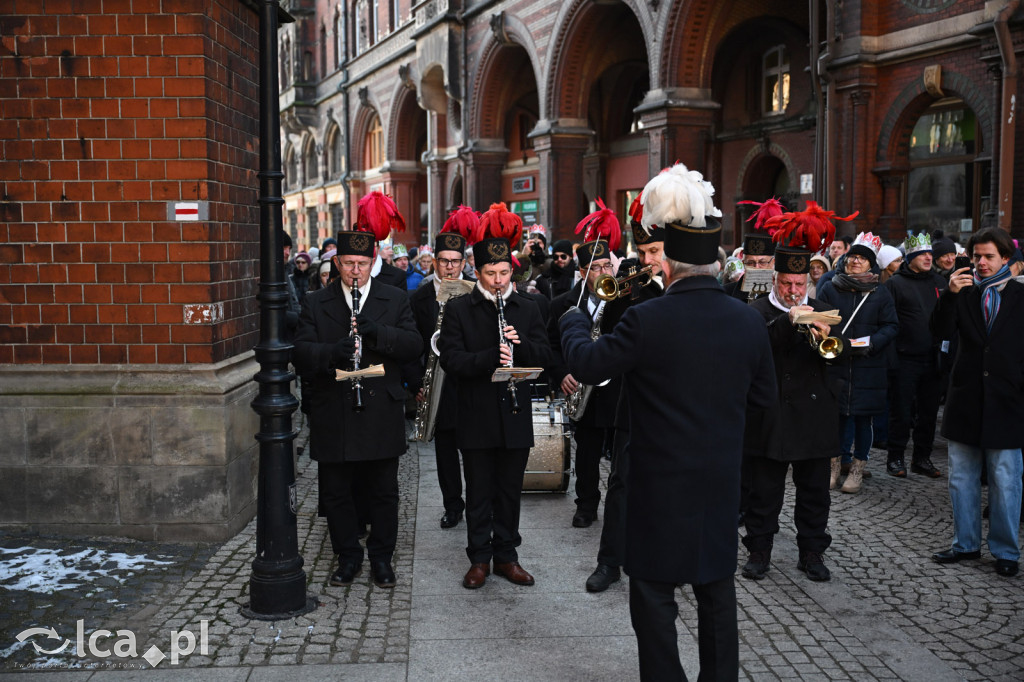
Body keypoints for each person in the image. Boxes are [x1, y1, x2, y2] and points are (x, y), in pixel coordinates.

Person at [561, 163, 776, 680]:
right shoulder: (748, 319)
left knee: (654, 594)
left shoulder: (647, 318)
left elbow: (588, 364)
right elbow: (765, 399)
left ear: (669, 264)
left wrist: (572, 318)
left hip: (657, 482)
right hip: (719, 480)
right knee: (716, 593)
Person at [292, 230, 423, 589]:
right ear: (337, 263)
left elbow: (414, 345)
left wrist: (378, 332)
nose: (355, 271)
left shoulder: (394, 298)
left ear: (372, 264)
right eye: (348, 263)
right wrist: (333, 350)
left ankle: (382, 558)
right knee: (337, 491)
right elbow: (301, 352)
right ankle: (348, 556)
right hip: (334, 408)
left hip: (380, 408)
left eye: (362, 264)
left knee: (383, 491)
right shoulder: (317, 301)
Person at [438, 204, 553, 590]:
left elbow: (546, 355)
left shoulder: (528, 307)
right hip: (476, 414)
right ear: (477, 271)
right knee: (479, 490)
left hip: (515, 413)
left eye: (505, 273)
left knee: (509, 491)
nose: (499, 280)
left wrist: (522, 349)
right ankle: (479, 559)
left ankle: (507, 555)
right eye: (491, 274)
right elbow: (452, 360)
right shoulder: (459, 309)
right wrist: (492, 356)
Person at [741, 210, 842, 583]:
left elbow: (839, 352)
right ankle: (759, 551)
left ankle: (812, 551)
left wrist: (822, 330)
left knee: (815, 493)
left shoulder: (822, 311)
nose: (794, 291)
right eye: (786, 284)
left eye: (799, 284)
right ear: (774, 279)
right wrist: (788, 320)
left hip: (813, 418)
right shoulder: (755, 311)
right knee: (763, 492)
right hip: (771, 417)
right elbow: (756, 349)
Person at [930, 227, 1024, 578]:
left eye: (988, 257)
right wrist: (950, 297)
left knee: (1006, 481)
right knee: (962, 479)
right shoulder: (962, 294)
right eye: (976, 256)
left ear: (1005, 258)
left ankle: (1005, 551)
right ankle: (965, 544)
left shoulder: (1019, 296)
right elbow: (938, 332)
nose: (981, 263)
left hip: (1007, 403)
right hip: (966, 399)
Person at [585, 217, 665, 594]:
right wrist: (621, 293)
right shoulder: (631, 278)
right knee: (621, 483)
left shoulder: (688, 284)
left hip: (675, 403)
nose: (647, 259)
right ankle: (609, 562)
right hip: (633, 401)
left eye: (655, 252)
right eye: (644, 251)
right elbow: (615, 334)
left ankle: (664, 559)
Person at [548, 203, 623, 529]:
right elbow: (549, 345)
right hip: (582, 386)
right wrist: (562, 371)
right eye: (596, 268)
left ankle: (622, 505)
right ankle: (586, 505)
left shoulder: (624, 298)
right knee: (588, 452)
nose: (604, 272)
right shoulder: (562, 303)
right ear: (582, 272)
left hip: (618, 386)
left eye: (608, 266)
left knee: (621, 451)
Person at [816, 232, 899, 493]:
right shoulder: (831, 286)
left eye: (862, 259)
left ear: (871, 264)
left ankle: (858, 468)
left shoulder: (880, 292)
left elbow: (891, 326)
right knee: (837, 417)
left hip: (868, 365)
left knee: (864, 420)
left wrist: (870, 343)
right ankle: (835, 465)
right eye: (853, 256)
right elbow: (822, 320)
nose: (855, 261)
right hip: (838, 362)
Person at [409, 214, 477, 530]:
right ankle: (453, 505)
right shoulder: (419, 297)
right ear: (433, 262)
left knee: (475, 448)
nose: (450, 267)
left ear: (464, 261)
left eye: (455, 261)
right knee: (446, 450)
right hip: (437, 382)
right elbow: (411, 344)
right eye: (443, 261)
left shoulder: (477, 294)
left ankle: (478, 502)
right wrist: (415, 383)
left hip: (470, 380)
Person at [881, 233, 946, 478]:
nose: (929, 257)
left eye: (930, 254)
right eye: (923, 254)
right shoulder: (895, 284)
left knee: (929, 412)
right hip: (905, 358)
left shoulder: (939, 281)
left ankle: (922, 458)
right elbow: (888, 321)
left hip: (934, 358)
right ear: (911, 257)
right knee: (902, 411)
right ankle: (895, 457)